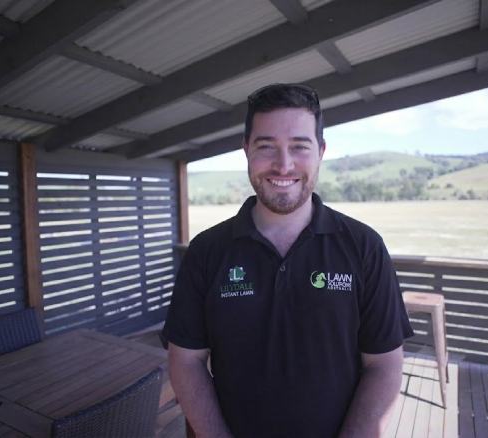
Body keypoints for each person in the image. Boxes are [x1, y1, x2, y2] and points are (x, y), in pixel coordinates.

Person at [163, 83, 414, 438]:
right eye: (266, 146)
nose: (284, 165)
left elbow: (384, 363)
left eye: (299, 146)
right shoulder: (206, 252)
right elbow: (186, 361)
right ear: (246, 150)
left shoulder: (364, 247)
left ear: (321, 152)